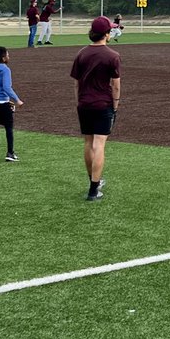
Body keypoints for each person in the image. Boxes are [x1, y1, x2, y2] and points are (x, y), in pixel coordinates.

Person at [70, 16, 121, 201]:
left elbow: (76, 83)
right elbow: (115, 85)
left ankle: (93, 182)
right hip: (103, 104)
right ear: (106, 34)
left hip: (84, 104)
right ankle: (94, 189)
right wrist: (115, 106)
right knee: (99, 144)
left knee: (88, 142)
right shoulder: (112, 55)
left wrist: (79, 102)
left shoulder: (81, 54)